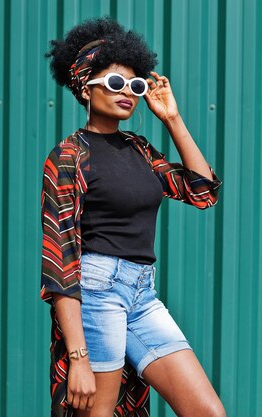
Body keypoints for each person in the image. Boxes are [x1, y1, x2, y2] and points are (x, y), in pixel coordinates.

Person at [41, 17, 225, 417]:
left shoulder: (140, 150)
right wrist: (77, 357)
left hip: (143, 295)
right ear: (85, 86)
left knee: (207, 411)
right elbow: (60, 262)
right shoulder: (68, 157)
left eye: (135, 85)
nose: (128, 93)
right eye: (114, 83)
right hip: (96, 293)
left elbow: (202, 191)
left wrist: (172, 119)